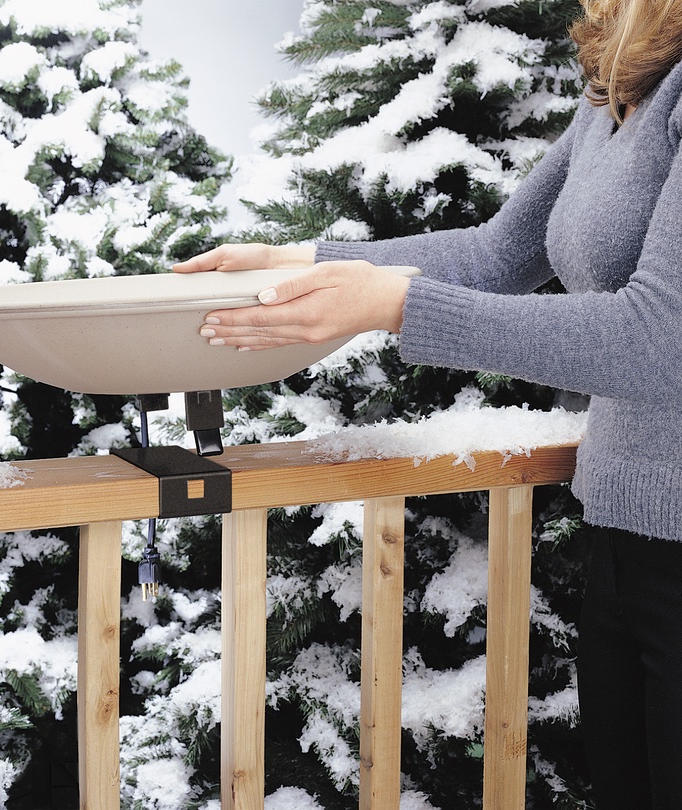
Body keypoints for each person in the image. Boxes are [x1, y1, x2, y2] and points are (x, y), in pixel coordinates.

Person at [173, 2, 682, 808]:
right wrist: (305, 262)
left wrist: (396, 306)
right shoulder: (623, 83)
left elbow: (660, 338)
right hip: (623, 539)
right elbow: (499, 251)